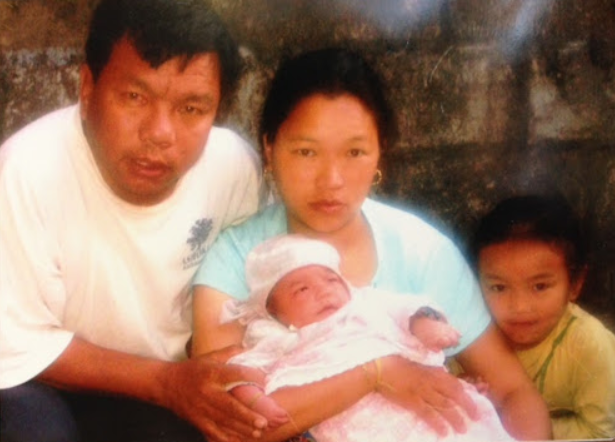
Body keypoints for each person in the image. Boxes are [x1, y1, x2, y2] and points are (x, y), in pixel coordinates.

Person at [191, 47, 552, 442]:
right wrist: (375, 373)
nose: (332, 180)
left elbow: (515, 392)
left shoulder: (421, 250)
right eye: (306, 151)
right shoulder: (235, 259)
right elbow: (230, 423)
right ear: (269, 149)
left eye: (355, 152)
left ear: (381, 151)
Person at [0, 1, 270, 441]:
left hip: (161, 390)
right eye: (134, 97)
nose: (160, 133)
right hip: (38, 382)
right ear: (88, 88)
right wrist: (165, 382)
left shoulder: (232, 168)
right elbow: (14, 341)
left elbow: (241, 298)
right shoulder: (24, 172)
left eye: (192, 109)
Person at [223, 234, 515, 442]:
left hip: (424, 410)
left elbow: (406, 309)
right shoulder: (275, 341)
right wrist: (253, 398)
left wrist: (427, 326)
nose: (324, 291)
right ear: (273, 311)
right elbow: (242, 372)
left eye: (331, 280)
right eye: (302, 290)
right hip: (357, 426)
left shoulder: (365, 305)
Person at [471, 194, 615, 440]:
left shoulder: (592, 346)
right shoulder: (474, 333)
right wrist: (465, 391)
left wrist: (514, 428)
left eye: (540, 286)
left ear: (575, 284)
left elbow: (602, 431)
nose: (519, 307)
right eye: (498, 287)